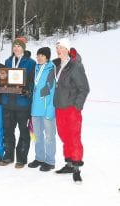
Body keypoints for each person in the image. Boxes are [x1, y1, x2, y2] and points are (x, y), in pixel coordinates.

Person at [53, 38, 90, 183]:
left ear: (67, 49)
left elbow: (84, 88)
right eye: (57, 48)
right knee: (64, 136)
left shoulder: (75, 66)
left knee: (74, 137)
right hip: (59, 107)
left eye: (61, 47)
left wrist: (77, 106)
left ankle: (76, 168)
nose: (59, 50)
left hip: (71, 108)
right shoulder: (57, 65)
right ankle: (68, 163)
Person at [0, 37, 36, 168]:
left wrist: (27, 90)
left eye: (19, 46)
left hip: (22, 104)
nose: (16, 48)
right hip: (8, 103)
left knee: (23, 132)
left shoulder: (31, 63)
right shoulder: (8, 61)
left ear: (23, 48)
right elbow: (3, 79)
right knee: (8, 131)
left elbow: (33, 82)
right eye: (14, 46)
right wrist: (1, 86)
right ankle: (8, 156)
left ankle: (21, 158)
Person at [27, 47, 56, 172]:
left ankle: (50, 161)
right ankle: (39, 158)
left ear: (47, 57)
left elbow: (53, 90)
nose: (39, 58)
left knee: (49, 137)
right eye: (38, 55)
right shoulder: (35, 68)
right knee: (37, 135)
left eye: (42, 56)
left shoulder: (52, 69)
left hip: (47, 109)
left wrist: (51, 109)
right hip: (35, 109)